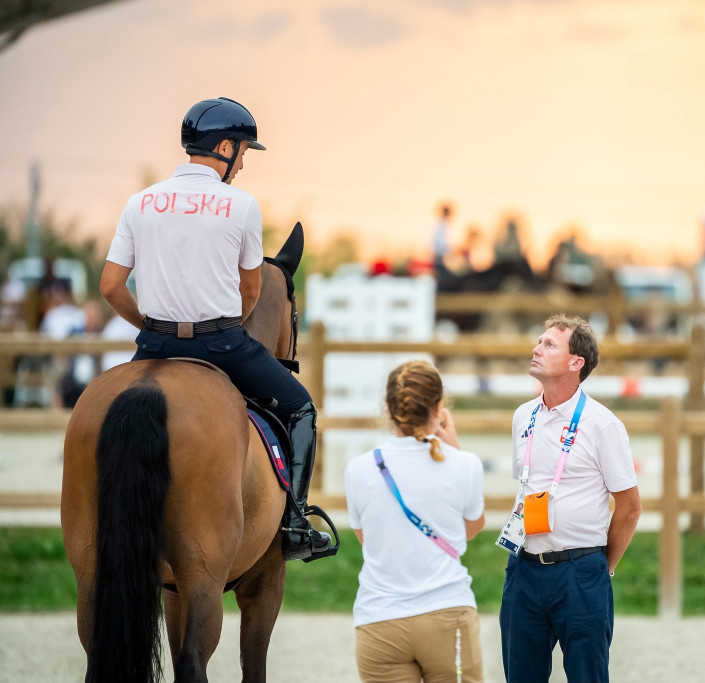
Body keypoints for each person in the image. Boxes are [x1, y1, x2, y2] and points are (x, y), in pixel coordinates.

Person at [99, 96, 333, 562]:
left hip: (155, 344)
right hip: (221, 342)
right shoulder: (241, 206)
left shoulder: (140, 202)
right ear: (224, 147)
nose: (242, 164)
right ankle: (294, 522)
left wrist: (152, 327)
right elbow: (250, 291)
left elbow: (110, 286)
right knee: (300, 405)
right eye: (243, 152)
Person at [499, 314, 642, 683]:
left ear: (576, 363)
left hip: (580, 573)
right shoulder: (523, 417)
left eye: (549, 344)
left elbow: (629, 505)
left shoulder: (602, 424)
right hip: (523, 568)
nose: (536, 348)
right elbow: (527, 486)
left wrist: (600, 566)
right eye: (539, 341)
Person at [345, 360, 485, 683]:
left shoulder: (358, 469)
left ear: (388, 409)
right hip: (448, 617)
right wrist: (455, 450)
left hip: (378, 621)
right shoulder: (466, 465)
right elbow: (471, 529)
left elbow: (368, 538)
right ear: (440, 408)